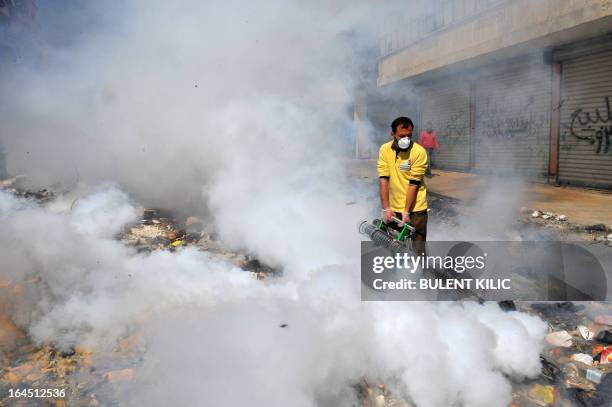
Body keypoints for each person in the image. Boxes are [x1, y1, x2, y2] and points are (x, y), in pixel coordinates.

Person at [377, 116, 428, 244]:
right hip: (394, 206)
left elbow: (414, 185)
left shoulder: (419, 152)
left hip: (415, 208)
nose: (406, 139)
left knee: (418, 246)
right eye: (402, 136)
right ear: (392, 134)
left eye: (409, 136)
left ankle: (420, 264)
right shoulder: (384, 149)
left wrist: (406, 211)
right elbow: (384, 179)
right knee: (395, 243)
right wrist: (386, 208)